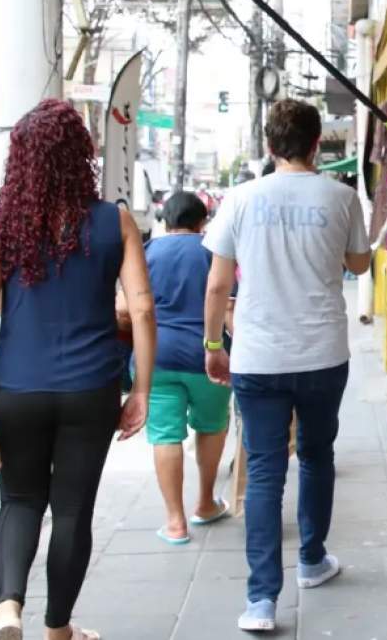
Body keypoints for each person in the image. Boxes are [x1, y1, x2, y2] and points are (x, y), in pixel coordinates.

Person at [0, 99, 156, 640]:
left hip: (17, 386)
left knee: (19, 500)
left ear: (20, 159)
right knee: (72, 512)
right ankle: (58, 628)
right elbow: (141, 309)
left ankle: (7, 610)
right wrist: (140, 389)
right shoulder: (115, 221)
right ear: (80, 157)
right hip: (91, 389)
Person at [202, 99, 371, 633]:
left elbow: (217, 283)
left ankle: (260, 601)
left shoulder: (241, 198)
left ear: (270, 145)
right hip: (323, 353)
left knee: (265, 471)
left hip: (258, 356)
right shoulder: (341, 197)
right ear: (317, 143)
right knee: (318, 455)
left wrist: (212, 344)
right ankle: (313, 560)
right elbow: (359, 263)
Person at [118, 192, 232, 544]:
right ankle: (204, 504)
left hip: (157, 358)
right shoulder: (215, 251)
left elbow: (124, 309)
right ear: (203, 221)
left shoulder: (148, 251)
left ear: (165, 221)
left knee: (165, 435)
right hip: (208, 356)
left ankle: (175, 522)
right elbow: (228, 306)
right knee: (211, 427)